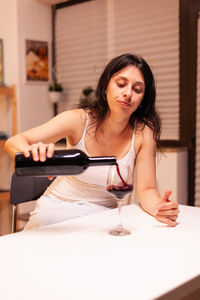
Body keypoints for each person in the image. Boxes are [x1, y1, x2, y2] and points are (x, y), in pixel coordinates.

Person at [5, 53, 179, 229]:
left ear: (142, 99)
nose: (128, 93)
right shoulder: (78, 120)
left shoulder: (143, 133)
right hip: (55, 212)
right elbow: (13, 142)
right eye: (121, 84)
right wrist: (32, 156)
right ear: (105, 87)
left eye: (137, 89)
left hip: (103, 219)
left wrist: (160, 208)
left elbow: (147, 189)